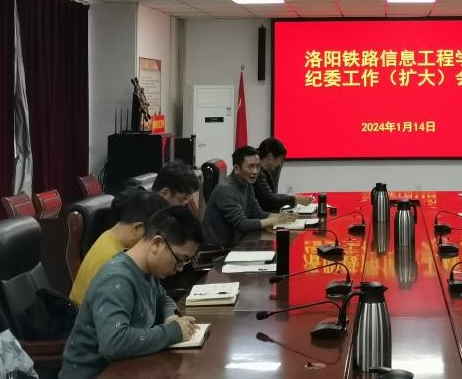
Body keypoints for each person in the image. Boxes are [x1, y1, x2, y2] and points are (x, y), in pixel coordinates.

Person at [60, 206, 203, 379]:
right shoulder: (116, 278)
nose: (180, 269)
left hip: (128, 368)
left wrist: (171, 318)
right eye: (180, 259)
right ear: (157, 243)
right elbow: (114, 343)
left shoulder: (147, 270)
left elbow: (163, 300)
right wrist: (172, 332)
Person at [69, 188, 169, 306]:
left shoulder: (108, 237)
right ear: (138, 228)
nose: (156, 244)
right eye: (156, 238)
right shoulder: (115, 261)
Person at [200, 145, 296, 248]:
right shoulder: (225, 189)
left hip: (237, 243)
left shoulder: (247, 184)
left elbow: (257, 213)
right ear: (236, 169)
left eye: (258, 166)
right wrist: (276, 220)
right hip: (218, 250)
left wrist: (286, 217)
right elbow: (242, 224)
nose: (255, 171)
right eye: (250, 166)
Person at [255, 137, 314, 211]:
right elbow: (270, 199)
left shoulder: (264, 172)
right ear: (270, 156)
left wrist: (294, 198)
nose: (279, 164)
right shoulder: (256, 174)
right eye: (279, 159)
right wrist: (295, 199)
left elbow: (271, 196)